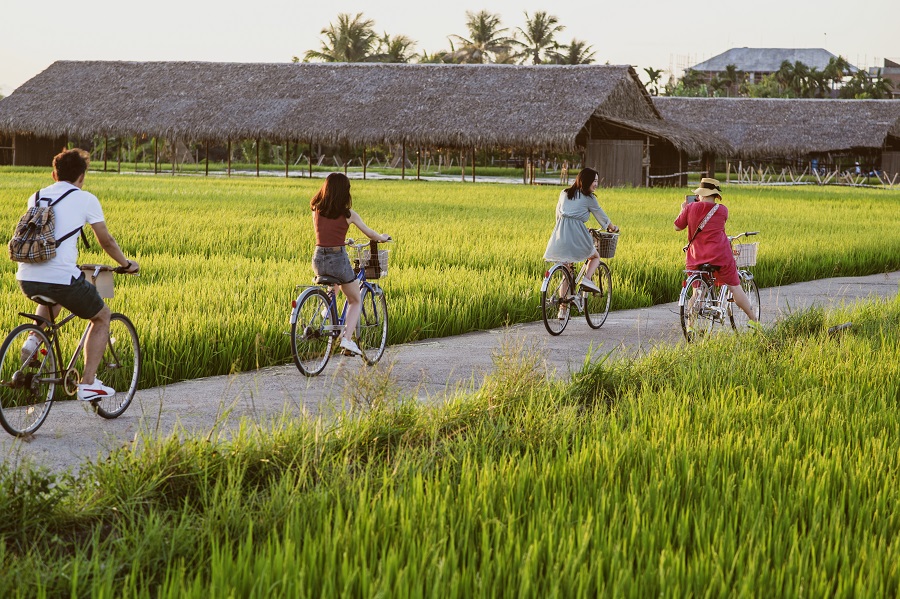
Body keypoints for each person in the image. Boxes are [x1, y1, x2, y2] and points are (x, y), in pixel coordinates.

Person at [16, 148, 140, 401]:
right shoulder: (86, 199)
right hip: (60, 278)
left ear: (54, 174)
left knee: (54, 295)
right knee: (102, 316)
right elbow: (105, 240)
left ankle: (32, 340)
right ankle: (88, 383)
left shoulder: (36, 196)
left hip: (26, 278)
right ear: (82, 176)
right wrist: (126, 264)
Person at [310, 173, 391, 356]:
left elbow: (324, 234)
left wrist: (342, 240)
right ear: (345, 193)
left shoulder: (316, 209)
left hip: (318, 259)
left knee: (334, 282)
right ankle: (346, 339)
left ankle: (326, 310)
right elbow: (370, 234)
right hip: (337, 260)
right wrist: (382, 238)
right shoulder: (348, 215)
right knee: (355, 299)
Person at [673, 177, 760, 329]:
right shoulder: (722, 210)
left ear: (702, 194)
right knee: (734, 287)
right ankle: (755, 321)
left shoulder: (690, 208)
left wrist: (683, 209)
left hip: (696, 256)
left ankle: (690, 327)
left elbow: (677, 227)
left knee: (697, 291)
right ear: (715, 195)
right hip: (720, 256)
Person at [543, 167, 619, 319]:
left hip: (560, 232)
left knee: (566, 272)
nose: (596, 184)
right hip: (577, 233)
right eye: (594, 181)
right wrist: (613, 228)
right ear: (587, 181)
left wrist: (564, 226)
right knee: (595, 257)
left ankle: (562, 310)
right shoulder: (589, 198)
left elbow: (558, 214)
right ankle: (587, 279)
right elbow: (602, 216)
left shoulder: (564, 193)